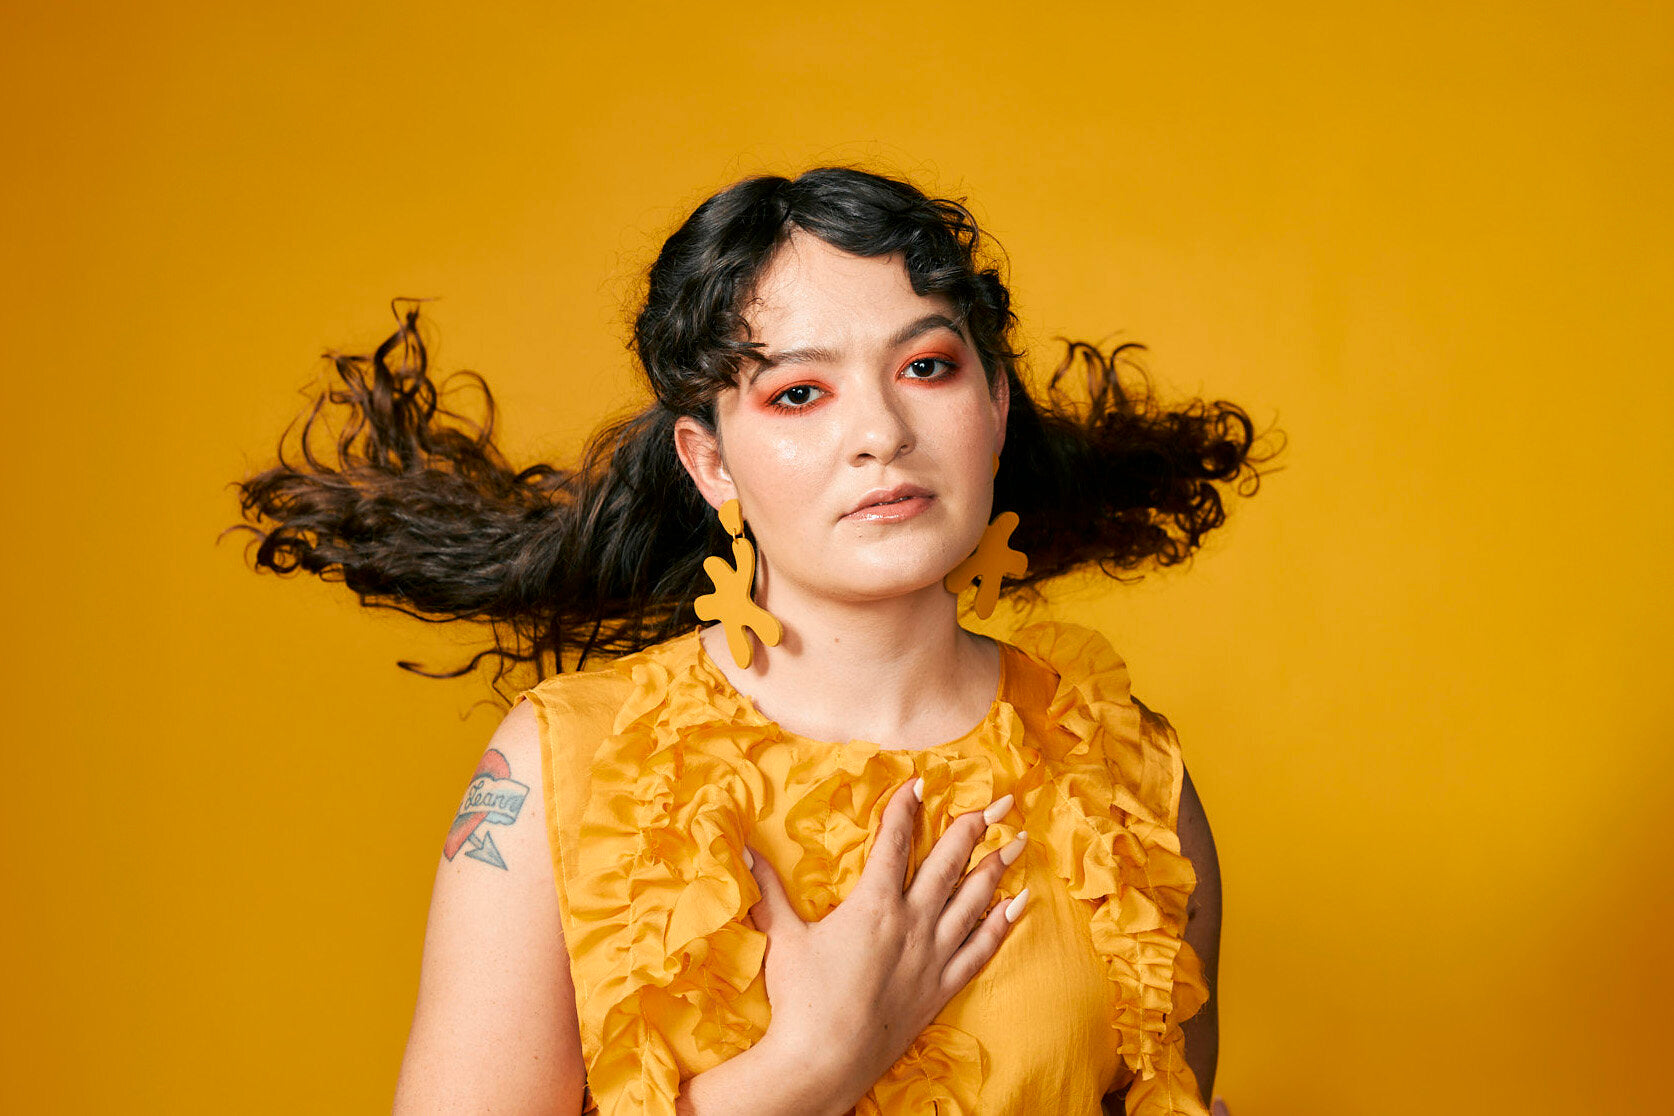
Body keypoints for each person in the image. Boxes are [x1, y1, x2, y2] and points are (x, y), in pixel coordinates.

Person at [235, 166, 1271, 1114]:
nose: (879, 432)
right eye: (799, 392)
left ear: (996, 406)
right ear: (710, 461)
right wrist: (814, 1062)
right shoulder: (561, 763)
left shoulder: (1130, 770)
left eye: (926, 365)